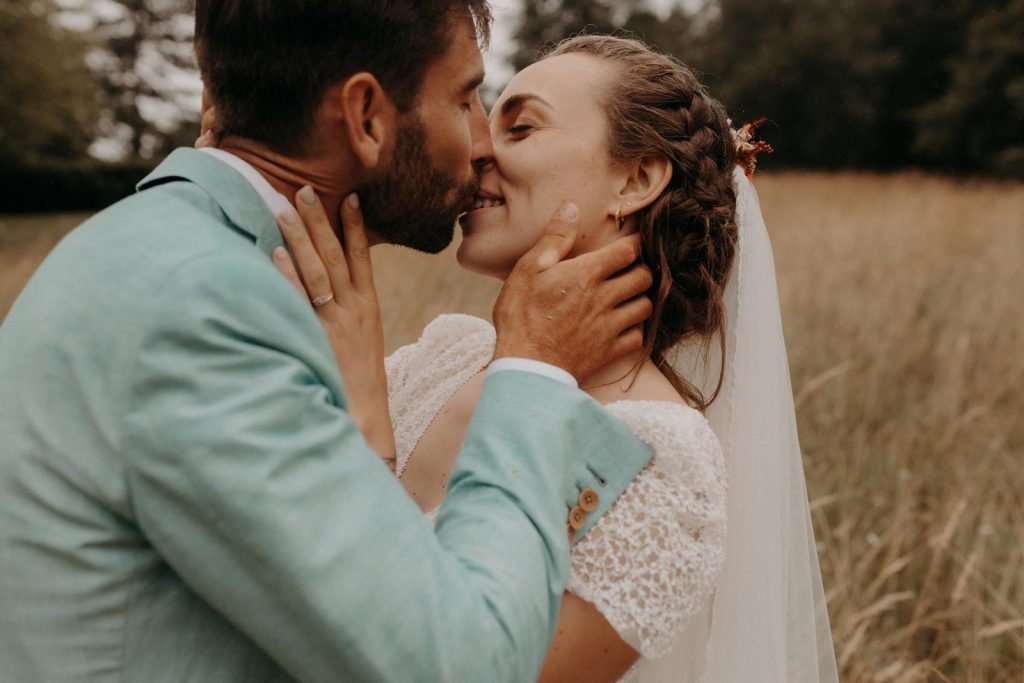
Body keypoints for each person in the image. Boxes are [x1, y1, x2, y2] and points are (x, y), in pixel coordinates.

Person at [0, 4, 659, 681]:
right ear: (367, 116)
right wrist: (534, 368)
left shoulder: (163, 248)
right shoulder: (207, 307)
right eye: (464, 98)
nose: (480, 141)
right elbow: (459, 664)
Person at [277, 36, 840, 682]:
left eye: (521, 126)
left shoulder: (659, 458)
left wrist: (362, 424)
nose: (480, 146)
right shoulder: (447, 356)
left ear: (636, 179)